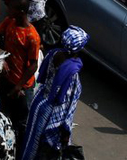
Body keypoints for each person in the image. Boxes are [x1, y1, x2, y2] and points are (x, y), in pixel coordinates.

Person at [20, 27, 90, 160]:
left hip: (39, 102)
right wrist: (65, 131)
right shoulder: (72, 71)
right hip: (51, 111)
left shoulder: (53, 54)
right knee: (44, 150)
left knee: (30, 140)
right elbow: (67, 104)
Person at [0, 0, 41, 133]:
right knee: (4, 113)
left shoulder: (32, 36)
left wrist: (18, 86)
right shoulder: (9, 21)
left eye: (11, 8)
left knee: (22, 121)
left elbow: (33, 66)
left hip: (21, 87)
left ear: (20, 12)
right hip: (6, 78)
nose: (7, 9)